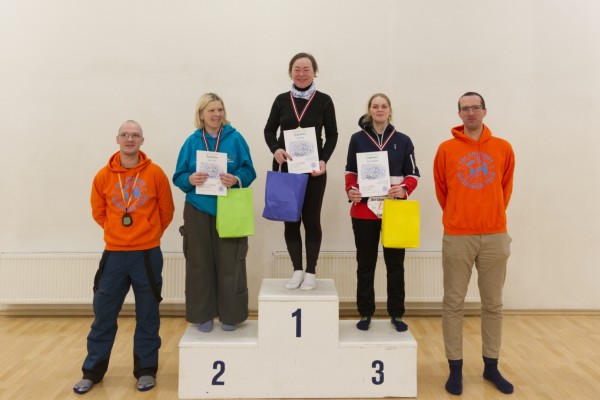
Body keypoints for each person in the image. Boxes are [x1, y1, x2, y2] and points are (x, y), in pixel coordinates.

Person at [73, 120, 175, 394]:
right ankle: (92, 371)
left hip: (147, 255)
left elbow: (166, 211)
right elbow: (98, 212)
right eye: (125, 135)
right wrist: (117, 233)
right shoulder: (103, 176)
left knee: (148, 315)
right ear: (117, 139)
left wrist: (149, 233)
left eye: (135, 135)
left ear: (142, 141)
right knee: (103, 314)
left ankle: (146, 370)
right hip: (115, 255)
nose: (130, 139)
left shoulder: (155, 173)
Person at [433, 92, 515, 395]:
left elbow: (505, 188)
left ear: (484, 111)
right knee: (453, 303)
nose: (470, 112)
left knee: (493, 304)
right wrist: (459, 215)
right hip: (457, 235)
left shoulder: (503, 148)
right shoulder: (446, 149)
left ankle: (491, 366)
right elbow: (442, 190)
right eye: (465, 108)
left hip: (495, 235)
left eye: (475, 107)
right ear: (459, 114)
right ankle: (455, 368)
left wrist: (491, 216)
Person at [173, 93, 256, 333]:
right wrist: (189, 179)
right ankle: (203, 315)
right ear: (201, 114)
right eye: (211, 110)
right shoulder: (191, 142)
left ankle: (231, 315)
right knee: (199, 264)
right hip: (198, 209)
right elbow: (178, 176)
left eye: (220, 109)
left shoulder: (236, 138)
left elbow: (249, 170)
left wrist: (236, 178)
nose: (217, 114)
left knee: (231, 263)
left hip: (230, 208)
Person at [345, 93, 420, 332]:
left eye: (383, 106)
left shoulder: (403, 140)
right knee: (365, 264)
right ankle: (365, 312)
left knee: (395, 265)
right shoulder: (357, 139)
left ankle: (396, 313)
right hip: (364, 211)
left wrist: (404, 188)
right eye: (375, 106)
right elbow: (350, 172)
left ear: (389, 110)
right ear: (369, 110)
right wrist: (351, 190)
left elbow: (413, 173)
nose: (379, 110)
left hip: (394, 210)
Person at [264, 52, 338, 290]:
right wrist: (275, 149)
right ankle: (296, 269)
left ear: (314, 72)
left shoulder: (324, 100)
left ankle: (311, 272)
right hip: (287, 169)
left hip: (314, 171)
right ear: (290, 72)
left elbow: (332, 134)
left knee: (312, 220)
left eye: (306, 69)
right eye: (297, 69)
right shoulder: (280, 100)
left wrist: (324, 160)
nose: (302, 73)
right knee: (291, 220)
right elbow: (269, 131)